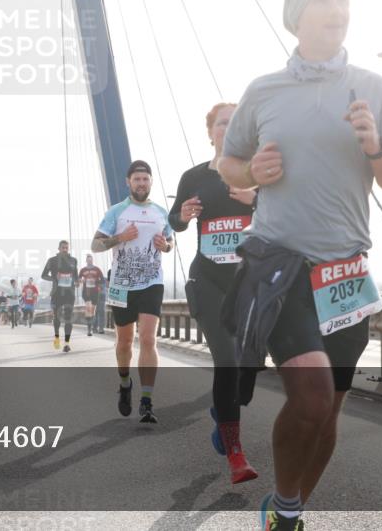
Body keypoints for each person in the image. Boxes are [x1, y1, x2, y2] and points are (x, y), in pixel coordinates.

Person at [217, 0, 382, 531]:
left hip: (346, 275)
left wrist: (375, 147)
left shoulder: (372, 87)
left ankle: (288, 510)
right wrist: (251, 171)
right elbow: (230, 163)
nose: (337, 9)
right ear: (296, 17)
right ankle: (283, 503)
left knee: (329, 413)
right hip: (281, 268)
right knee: (311, 395)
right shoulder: (265, 90)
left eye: (344, 0)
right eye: (323, 1)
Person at [169, 102, 259, 484]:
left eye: (237, 122)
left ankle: (222, 416)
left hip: (251, 281)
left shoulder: (261, 172)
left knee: (248, 374)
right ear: (211, 132)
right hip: (207, 280)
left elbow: (287, 212)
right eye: (223, 122)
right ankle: (236, 454)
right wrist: (184, 214)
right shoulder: (194, 176)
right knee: (226, 361)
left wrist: (256, 199)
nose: (230, 127)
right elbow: (175, 220)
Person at [91, 160, 173, 423]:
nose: (141, 183)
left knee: (148, 339)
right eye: (136, 179)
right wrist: (120, 238)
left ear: (151, 182)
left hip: (152, 282)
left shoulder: (161, 212)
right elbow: (95, 244)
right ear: (129, 182)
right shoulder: (117, 212)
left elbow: (170, 241)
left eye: (145, 179)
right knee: (125, 342)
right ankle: (125, 383)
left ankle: (147, 400)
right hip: (121, 284)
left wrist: (166, 245)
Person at [41, 241, 78, 352]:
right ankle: (57, 337)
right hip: (57, 293)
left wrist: (77, 281)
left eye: (67, 248)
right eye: (63, 248)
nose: (65, 249)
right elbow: (43, 275)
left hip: (69, 294)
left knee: (68, 318)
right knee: (56, 318)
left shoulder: (73, 260)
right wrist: (54, 278)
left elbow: (76, 276)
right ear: (59, 248)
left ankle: (67, 343)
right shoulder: (52, 261)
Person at [78, 254, 104, 337]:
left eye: (91, 260)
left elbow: (102, 280)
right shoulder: (82, 270)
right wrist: (81, 280)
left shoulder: (97, 269)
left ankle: (93, 328)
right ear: (86, 261)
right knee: (88, 310)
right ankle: (89, 329)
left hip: (95, 292)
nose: (89, 261)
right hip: (86, 292)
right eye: (88, 260)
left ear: (92, 260)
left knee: (93, 311)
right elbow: (78, 280)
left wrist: (98, 283)